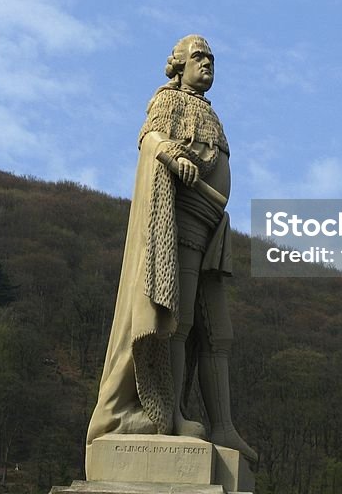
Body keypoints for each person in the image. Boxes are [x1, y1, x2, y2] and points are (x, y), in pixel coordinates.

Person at [86, 34, 257, 464]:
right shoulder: (166, 99)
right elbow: (150, 139)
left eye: (213, 58)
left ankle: (223, 426)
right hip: (181, 223)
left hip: (213, 227)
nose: (208, 64)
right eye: (199, 57)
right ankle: (173, 417)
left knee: (218, 332)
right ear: (179, 65)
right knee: (176, 321)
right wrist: (168, 154)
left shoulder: (210, 113)